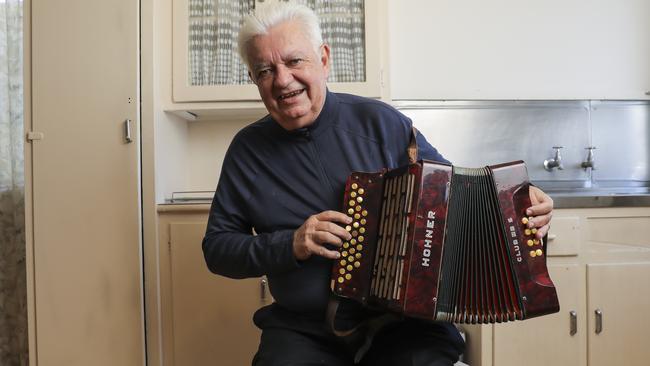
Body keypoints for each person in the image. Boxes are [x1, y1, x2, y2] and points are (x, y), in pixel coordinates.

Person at [202, 3, 554, 365]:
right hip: (303, 330)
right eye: (265, 70)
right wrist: (291, 244)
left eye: (294, 62)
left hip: (405, 323)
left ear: (323, 59)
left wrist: (523, 210)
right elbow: (217, 249)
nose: (282, 80)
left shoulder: (382, 123)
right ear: (253, 79)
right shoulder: (247, 151)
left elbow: (461, 200)